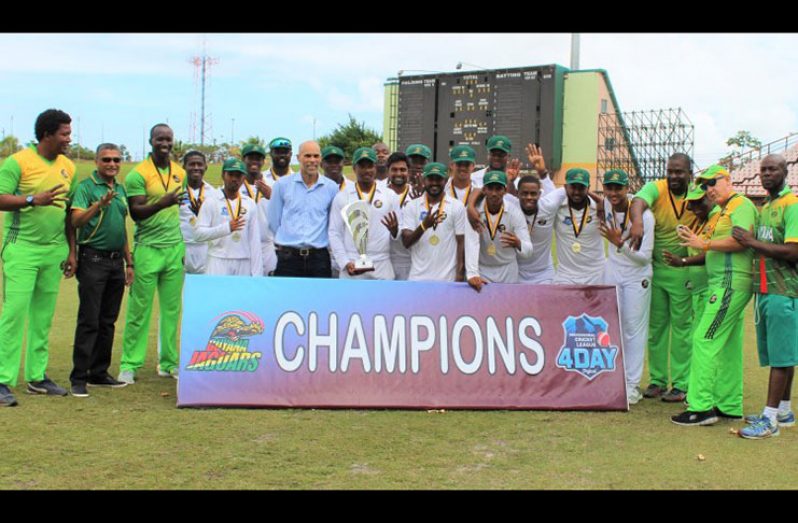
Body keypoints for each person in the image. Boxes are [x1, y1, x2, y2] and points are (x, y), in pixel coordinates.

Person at [0, 109, 77, 405]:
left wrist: (71, 251)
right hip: (21, 250)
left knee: (43, 318)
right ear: (46, 134)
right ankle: (3, 379)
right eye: (64, 134)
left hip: (53, 251)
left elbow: (68, 213)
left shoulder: (68, 166)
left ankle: (37, 377)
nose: (69, 139)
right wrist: (33, 199)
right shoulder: (17, 162)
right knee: (14, 315)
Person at [671, 165, 757, 426]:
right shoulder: (722, 211)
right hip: (725, 284)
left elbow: (742, 240)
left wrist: (703, 244)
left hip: (729, 284)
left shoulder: (740, 205)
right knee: (728, 346)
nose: (709, 189)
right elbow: (712, 244)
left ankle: (701, 407)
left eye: (712, 182)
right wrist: (697, 241)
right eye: (705, 185)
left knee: (703, 339)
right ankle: (729, 405)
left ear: (727, 180)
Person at [732, 155, 798, 438]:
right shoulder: (767, 205)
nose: (766, 174)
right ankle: (783, 411)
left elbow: (794, 251)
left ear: (786, 171)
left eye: (773, 169)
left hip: (784, 290)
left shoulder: (792, 205)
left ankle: (769, 421)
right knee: (783, 354)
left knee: (781, 359)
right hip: (766, 290)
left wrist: (751, 242)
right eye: (763, 170)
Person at [118, 123, 185, 384]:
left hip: (174, 249)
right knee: (139, 310)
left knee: (171, 311)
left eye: (168, 139)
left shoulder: (179, 172)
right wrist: (162, 203)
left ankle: (168, 363)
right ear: (150, 141)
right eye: (160, 139)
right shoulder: (138, 174)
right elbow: (136, 212)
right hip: (147, 249)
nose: (164, 144)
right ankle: (129, 364)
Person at [628, 153, 697, 403]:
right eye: (670, 171)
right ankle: (657, 380)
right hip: (656, 270)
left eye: (679, 172)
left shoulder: (697, 192)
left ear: (690, 173)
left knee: (681, 329)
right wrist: (637, 221)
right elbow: (637, 201)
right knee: (656, 328)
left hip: (683, 271)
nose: (674, 176)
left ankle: (681, 383)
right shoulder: (656, 188)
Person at [68, 143, 134, 397]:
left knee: (108, 321)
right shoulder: (86, 188)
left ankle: (99, 372)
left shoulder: (120, 189)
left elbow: (121, 229)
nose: (112, 164)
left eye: (117, 160)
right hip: (93, 260)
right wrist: (99, 205)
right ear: (97, 161)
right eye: (106, 160)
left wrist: (129, 262)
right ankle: (78, 377)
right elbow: (76, 221)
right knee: (89, 320)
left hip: (116, 261)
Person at [599, 169, 654, 405]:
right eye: (609, 188)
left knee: (633, 330)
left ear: (627, 188)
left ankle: (632, 385)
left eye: (618, 188)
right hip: (613, 272)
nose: (613, 193)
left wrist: (619, 245)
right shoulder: (605, 204)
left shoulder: (645, 217)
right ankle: (615, 379)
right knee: (614, 327)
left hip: (636, 276)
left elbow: (644, 257)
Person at [268, 141, 339, 278]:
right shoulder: (282, 185)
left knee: (319, 299)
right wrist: (289, 239)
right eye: (307, 156)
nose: (312, 160)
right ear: (298, 158)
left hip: (319, 259)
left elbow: (332, 222)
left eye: (316, 156)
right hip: (288, 259)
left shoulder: (331, 188)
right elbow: (274, 221)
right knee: (286, 299)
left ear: (321, 159)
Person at [329, 147, 400, 280]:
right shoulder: (343, 197)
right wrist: (344, 262)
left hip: (381, 264)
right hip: (353, 263)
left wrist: (395, 231)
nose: (366, 171)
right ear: (354, 168)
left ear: (375, 168)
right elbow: (334, 233)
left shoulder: (389, 195)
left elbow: (399, 230)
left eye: (370, 166)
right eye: (362, 166)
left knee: (382, 301)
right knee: (351, 301)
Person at [662, 186, 717, 359]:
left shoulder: (717, 218)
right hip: (697, 292)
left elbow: (711, 253)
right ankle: (693, 384)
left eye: (699, 202)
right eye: (691, 205)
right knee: (697, 339)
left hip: (710, 291)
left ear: (711, 197)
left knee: (704, 341)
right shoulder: (702, 221)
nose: (695, 208)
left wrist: (683, 262)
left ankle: (704, 385)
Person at [465, 171, 532, 291]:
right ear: (484, 190)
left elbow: (528, 251)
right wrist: (472, 273)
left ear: (505, 190)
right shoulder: (474, 212)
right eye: (490, 188)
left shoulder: (514, 213)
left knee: (507, 309)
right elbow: (471, 242)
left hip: (508, 270)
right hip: (483, 270)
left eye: (498, 189)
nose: (494, 193)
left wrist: (518, 243)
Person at [195, 158, 262, 276]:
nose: (234, 179)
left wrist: (257, 274)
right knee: (217, 295)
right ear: (223, 175)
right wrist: (226, 228)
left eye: (239, 175)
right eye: (230, 174)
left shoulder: (249, 203)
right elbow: (199, 234)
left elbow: (255, 240)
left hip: (243, 260)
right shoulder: (211, 201)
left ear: (244, 178)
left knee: (241, 295)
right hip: (218, 260)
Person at [538, 168, 605, 284]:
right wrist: (543, 174)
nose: (577, 192)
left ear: (588, 188)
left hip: (596, 275)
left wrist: (602, 204)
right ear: (565, 187)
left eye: (581, 188)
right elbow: (545, 197)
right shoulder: (557, 208)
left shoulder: (599, 209)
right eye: (573, 187)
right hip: (566, 277)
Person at [402, 162, 466, 282]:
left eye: (439, 179)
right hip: (418, 279)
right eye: (430, 179)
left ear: (446, 180)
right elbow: (406, 242)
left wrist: (460, 275)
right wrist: (423, 226)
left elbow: (461, 243)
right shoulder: (412, 206)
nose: (434, 183)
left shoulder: (457, 206)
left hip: (447, 279)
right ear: (424, 180)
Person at [241, 143, 277, 275]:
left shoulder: (274, 186)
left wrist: (272, 196)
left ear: (263, 161)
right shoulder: (235, 185)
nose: (254, 162)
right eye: (250, 158)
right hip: (243, 245)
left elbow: (288, 212)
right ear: (243, 160)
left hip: (266, 245)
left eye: (258, 158)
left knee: (269, 287)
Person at [180, 150, 216, 275]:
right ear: (184, 166)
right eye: (192, 164)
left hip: (205, 248)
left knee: (204, 289)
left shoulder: (213, 193)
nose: (196, 168)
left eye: (199, 164)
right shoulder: (177, 191)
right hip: (182, 247)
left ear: (205, 167)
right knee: (181, 291)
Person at [385, 152, 415, 280]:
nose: (398, 173)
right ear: (388, 171)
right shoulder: (380, 194)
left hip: (411, 259)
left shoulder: (418, 194)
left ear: (409, 172)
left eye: (402, 170)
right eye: (394, 170)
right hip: (386, 259)